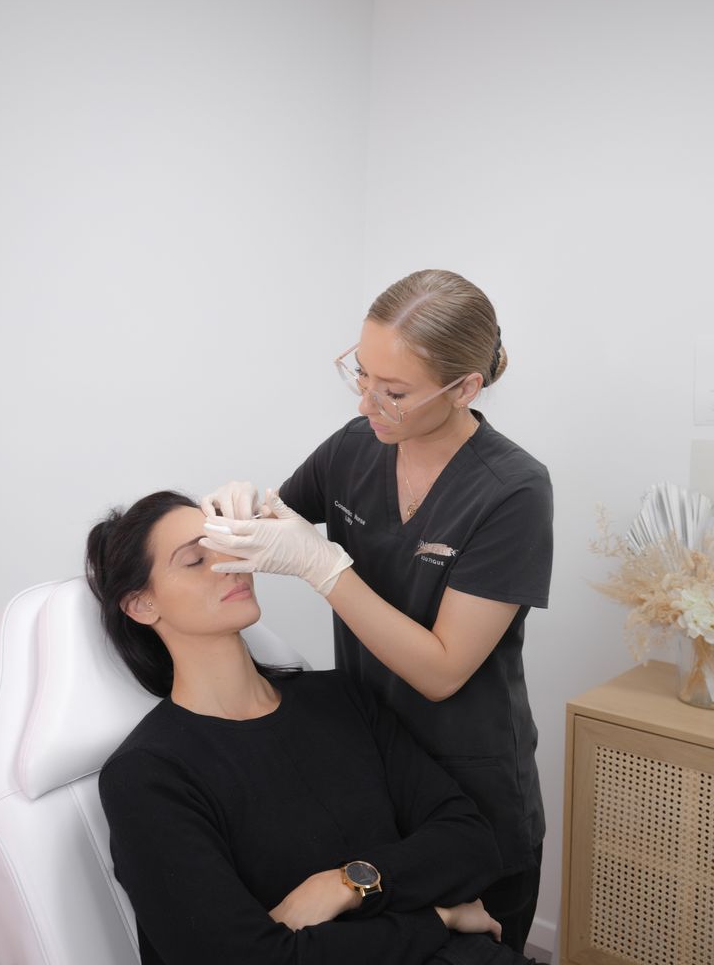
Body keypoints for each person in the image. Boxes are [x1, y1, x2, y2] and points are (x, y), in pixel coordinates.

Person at [201, 269, 553, 954]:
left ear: (464, 388)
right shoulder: (355, 446)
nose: (368, 404)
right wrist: (237, 514)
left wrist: (322, 567)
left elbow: (444, 670)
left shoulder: (513, 489)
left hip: (472, 779)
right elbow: (282, 522)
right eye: (359, 375)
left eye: (393, 392)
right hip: (371, 772)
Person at [88, 490, 539, 965]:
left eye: (228, 545)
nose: (229, 564)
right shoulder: (146, 777)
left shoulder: (338, 698)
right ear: (141, 605)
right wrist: (438, 919)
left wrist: (345, 884)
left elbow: (470, 842)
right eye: (196, 560)